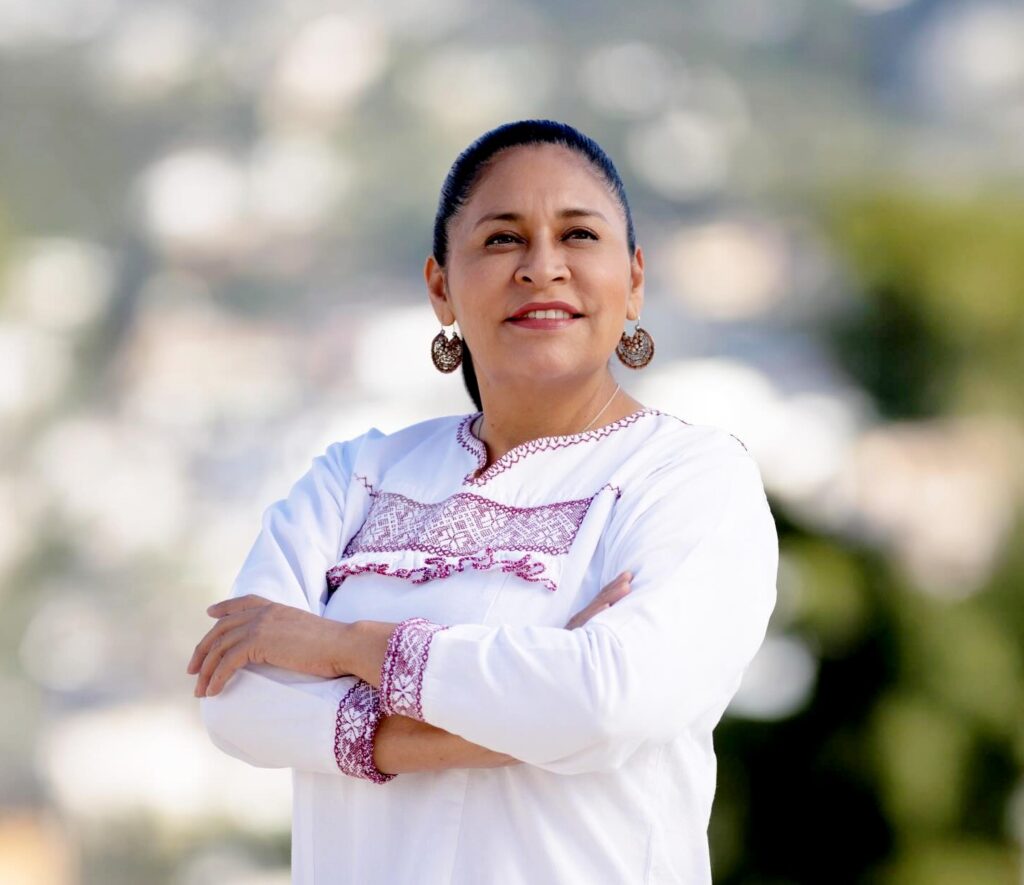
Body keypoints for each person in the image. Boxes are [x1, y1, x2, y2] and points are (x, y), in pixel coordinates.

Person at [188, 119, 779, 884]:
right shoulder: (355, 476)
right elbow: (235, 699)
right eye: (503, 239)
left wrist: (340, 646)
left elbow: (608, 699)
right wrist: (527, 710)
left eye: (578, 235)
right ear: (441, 287)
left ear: (634, 280)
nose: (543, 267)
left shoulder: (691, 477)